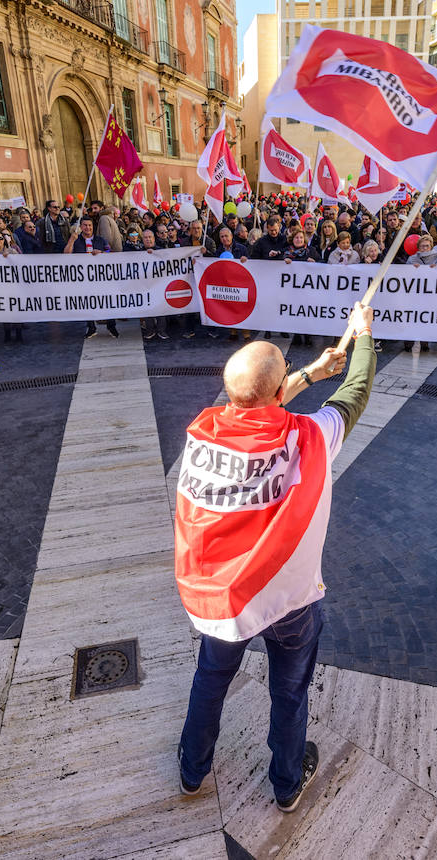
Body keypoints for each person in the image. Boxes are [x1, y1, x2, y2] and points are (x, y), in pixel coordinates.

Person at [175, 303, 377, 813]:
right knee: (289, 694)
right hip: (289, 603)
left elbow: (256, 402)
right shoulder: (308, 437)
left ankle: (191, 770)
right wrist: (364, 336)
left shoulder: (202, 436)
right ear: (280, 380)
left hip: (221, 601)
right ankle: (287, 783)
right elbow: (355, 395)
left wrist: (310, 372)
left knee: (209, 682)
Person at [65, 216, 118, 338]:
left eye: (90, 225)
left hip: (101, 277)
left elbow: (111, 254)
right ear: (81, 227)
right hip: (84, 278)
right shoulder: (76, 240)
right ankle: (91, 327)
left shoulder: (101, 240)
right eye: (85, 225)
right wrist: (71, 240)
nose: (88, 228)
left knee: (107, 301)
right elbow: (66, 255)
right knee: (87, 302)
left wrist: (102, 253)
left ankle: (111, 326)